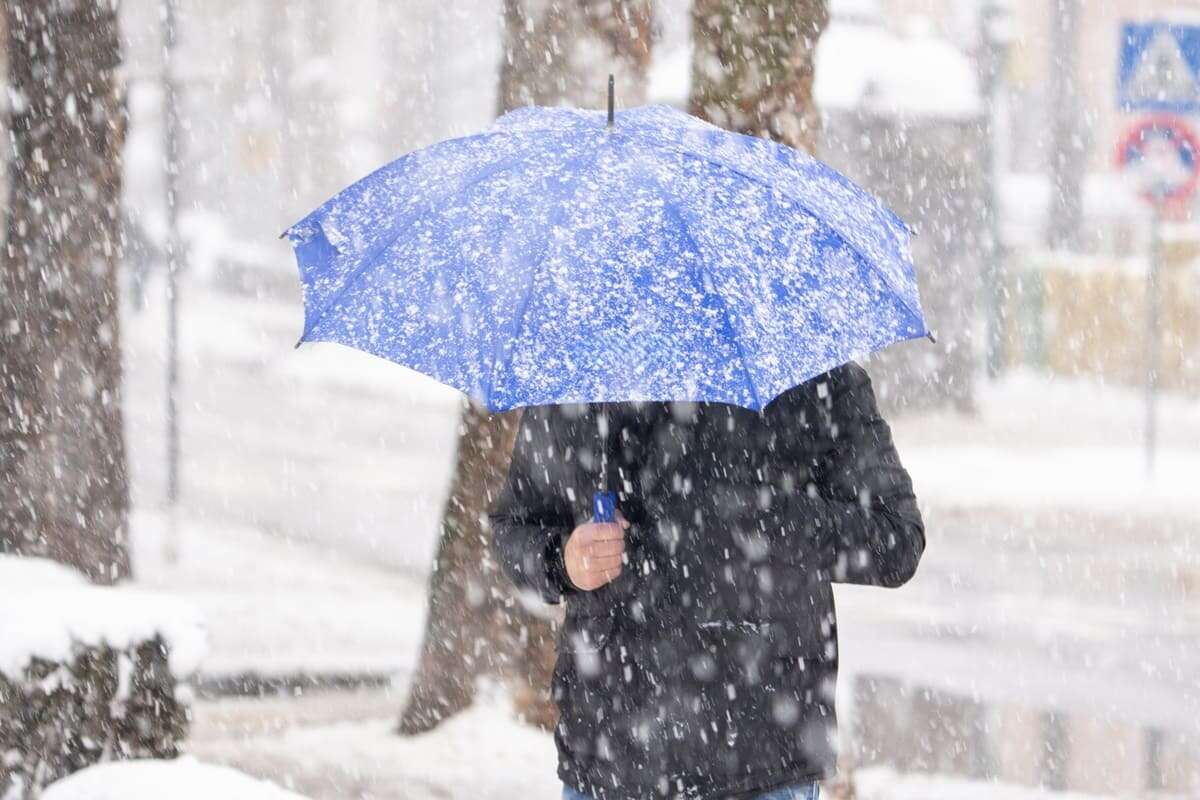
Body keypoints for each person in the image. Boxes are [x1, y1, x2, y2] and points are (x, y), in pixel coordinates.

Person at [489, 361, 924, 800]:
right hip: (608, 751)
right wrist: (563, 560)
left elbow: (896, 539)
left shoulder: (809, 373)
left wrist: (765, 517)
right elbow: (513, 526)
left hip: (760, 751)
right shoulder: (585, 370)